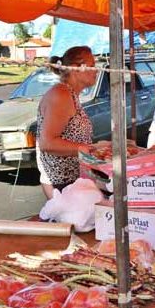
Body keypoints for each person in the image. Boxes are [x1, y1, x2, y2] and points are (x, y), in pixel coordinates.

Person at [37, 46, 96, 197]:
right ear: (76, 69)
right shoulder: (61, 94)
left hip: (72, 181)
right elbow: (47, 143)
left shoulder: (70, 94)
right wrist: (88, 149)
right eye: (92, 65)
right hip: (61, 185)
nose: (96, 70)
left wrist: (95, 147)